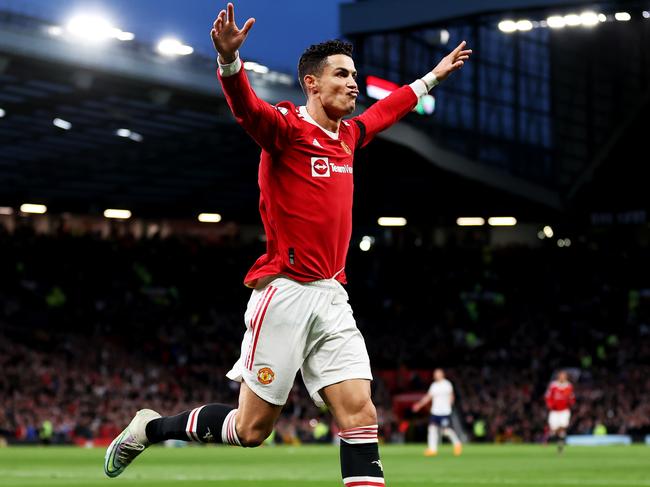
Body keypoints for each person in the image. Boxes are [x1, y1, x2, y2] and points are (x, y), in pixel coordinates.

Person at [104, 3, 472, 484]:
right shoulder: (286, 130)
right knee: (252, 429)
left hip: (332, 294)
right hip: (285, 293)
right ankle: (150, 429)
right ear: (313, 84)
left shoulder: (348, 137)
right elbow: (246, 109)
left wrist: (431, 78)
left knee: (360, 415)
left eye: (355, 74)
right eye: (343, 74)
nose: (354, 83)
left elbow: (387, 109)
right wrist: (229, 64)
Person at [412, 368, 462, 457]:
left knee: (445, 431)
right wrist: (419, 405)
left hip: (445, 412)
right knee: (432, 429)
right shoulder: (434, 385)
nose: (436, 375)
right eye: (435, 374)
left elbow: (451, 396)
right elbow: (428, 397)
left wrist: (450, 405)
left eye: (438, 373)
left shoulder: (447, 384)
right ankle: (432, 449)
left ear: (442, 374)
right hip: (435, 412)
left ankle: (457, 444)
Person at [544, 370, 575, 453]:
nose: (562, 377)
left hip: (564, 410)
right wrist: (549, 404)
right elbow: (548, 396)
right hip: (554, 411)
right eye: (561, 376)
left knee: (563, 427)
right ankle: (551, 436)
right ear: (558, 376)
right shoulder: (553, 385)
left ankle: (560, 447)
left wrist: (571, 402)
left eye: (564, 376)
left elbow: (572, 397)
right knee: (554, 429)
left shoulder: (569, 386)